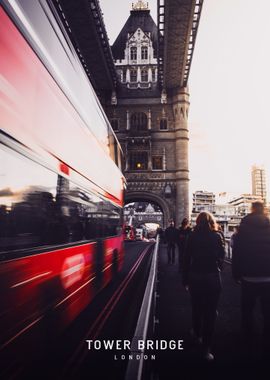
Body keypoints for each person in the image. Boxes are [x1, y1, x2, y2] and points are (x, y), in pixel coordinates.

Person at [182, 212, 225, 361]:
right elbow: (222, 257)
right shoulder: (217, 236)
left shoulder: (191, 237)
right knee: (210, 313)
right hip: (212, 276)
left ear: (198, 222)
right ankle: (206, 349)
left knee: (196, 307)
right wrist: (216, 265)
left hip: (195, 276)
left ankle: (197, 335)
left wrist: (185, 280)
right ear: (211, 222)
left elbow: (186, 259)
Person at [232, 201, 270, 357]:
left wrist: (236, 274)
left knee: (247, 310)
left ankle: (248, 338)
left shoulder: (242, 229)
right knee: (267, 311)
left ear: (252, 210)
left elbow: (237, 254)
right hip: (268, 277)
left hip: (248, 276)